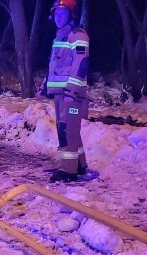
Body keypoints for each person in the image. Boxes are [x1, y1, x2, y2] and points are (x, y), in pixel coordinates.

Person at [39, 0, 90, 183]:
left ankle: (69, 171)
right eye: (56, 13)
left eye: (63, 13)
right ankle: (80, 165)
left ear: (71, 15)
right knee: (70, 129)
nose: (58, 17)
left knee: (67, 129)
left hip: (72, 96)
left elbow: (81, 64)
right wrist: (45, 84)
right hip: (62, 94)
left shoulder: (77, 35)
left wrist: (72, 92)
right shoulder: (60, 36)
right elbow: (55, 65)